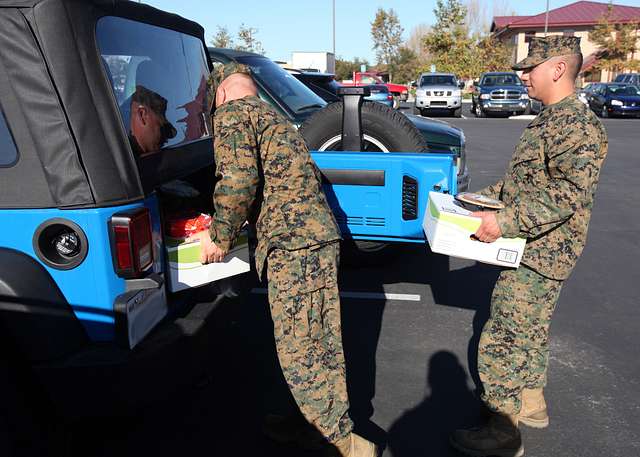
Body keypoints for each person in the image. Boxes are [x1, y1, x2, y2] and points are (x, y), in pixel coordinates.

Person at [192, 62, 377, 457]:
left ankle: (341, 442)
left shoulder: (232, 114)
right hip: (312, 242)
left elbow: (238, 179)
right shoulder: (271, 117)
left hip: (294, 248)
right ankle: (309, 420)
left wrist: (219, 236)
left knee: (303, 346)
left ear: (221, 94)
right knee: (316, 338)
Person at [450, 36, 608, 457]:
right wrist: (476, 201)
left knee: (503, 332)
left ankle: (502, 431)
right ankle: (532, 402)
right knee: (531, 330)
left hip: (544, 250)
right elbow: (525, 184)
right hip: (534, 245)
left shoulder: (578, 125)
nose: (523, 75)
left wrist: (503, 221)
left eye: (530, 68)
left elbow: (566, 194)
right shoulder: (551, 119)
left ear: (557, 69)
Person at [128, 85, 177, 155]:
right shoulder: (119, 160)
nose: (168, 137)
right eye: (163, 129)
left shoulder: (124, 155)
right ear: (142, 115)